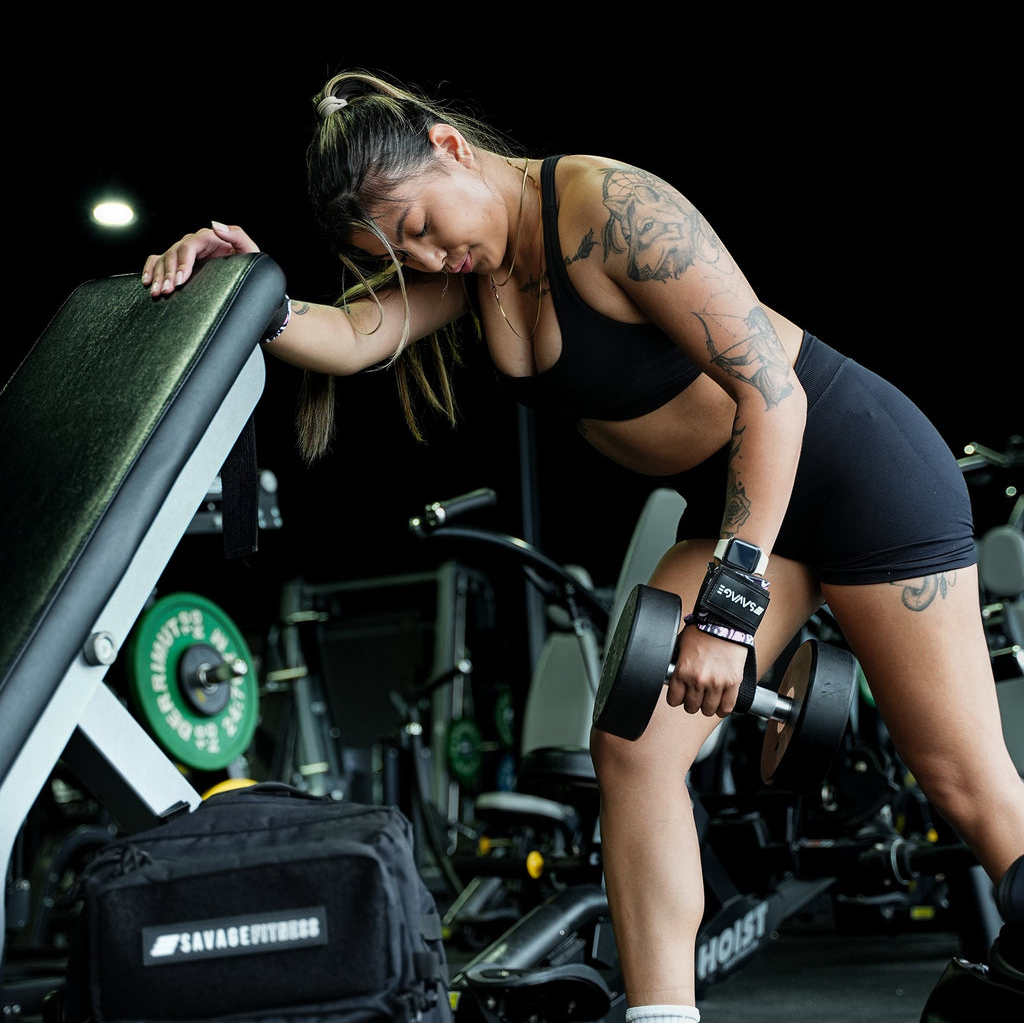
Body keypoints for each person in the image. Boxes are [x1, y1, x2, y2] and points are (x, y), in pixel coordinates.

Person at [142, 68, 1024, 1021]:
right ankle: (661, 1016)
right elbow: (358, 335)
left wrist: (729, 613)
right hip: (741, 497)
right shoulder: (478, 271)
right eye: (397, 248)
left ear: (449, 148)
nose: (427, 258)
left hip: (857, 471)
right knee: (634, 749)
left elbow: (776, 396)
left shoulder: (611, 208)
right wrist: (241, 286)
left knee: (964, 782)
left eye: (422, 225)